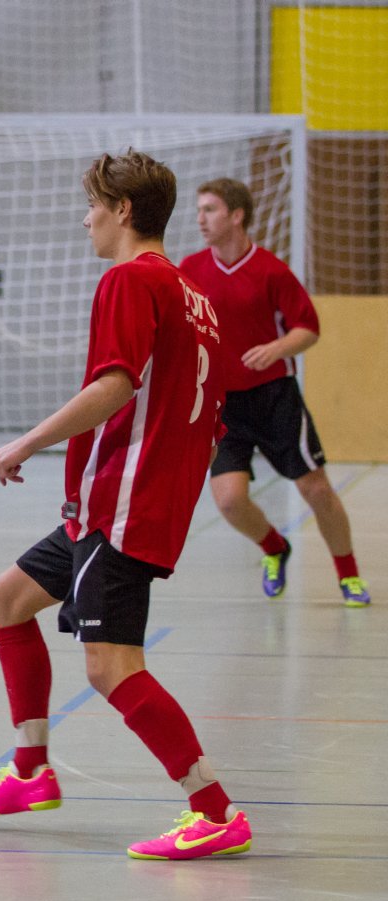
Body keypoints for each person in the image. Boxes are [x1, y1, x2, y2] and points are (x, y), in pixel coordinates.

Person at [0, 149, 251, 860]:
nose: (85, 218)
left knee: (109, 666)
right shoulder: (195, 295)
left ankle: (214, 811)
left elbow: (115, 385)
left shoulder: (130, 278)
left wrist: (27, 442)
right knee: (8, 600)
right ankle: (30, 770)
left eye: (93, 204)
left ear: (123, 210)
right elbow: (212, 416)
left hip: (125, 504)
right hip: (117, 502)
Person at [180, 177, 369, 607]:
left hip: (274, 398)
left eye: (209, 209)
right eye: (199, 210)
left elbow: (308, 327)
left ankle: (349, 575)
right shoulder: (189, 270)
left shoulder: (271, 270)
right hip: (223, 406)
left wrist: (277, 348)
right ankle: (274, 547)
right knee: (230, 501)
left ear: (236, 215)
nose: (201, 219)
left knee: (316, 489)